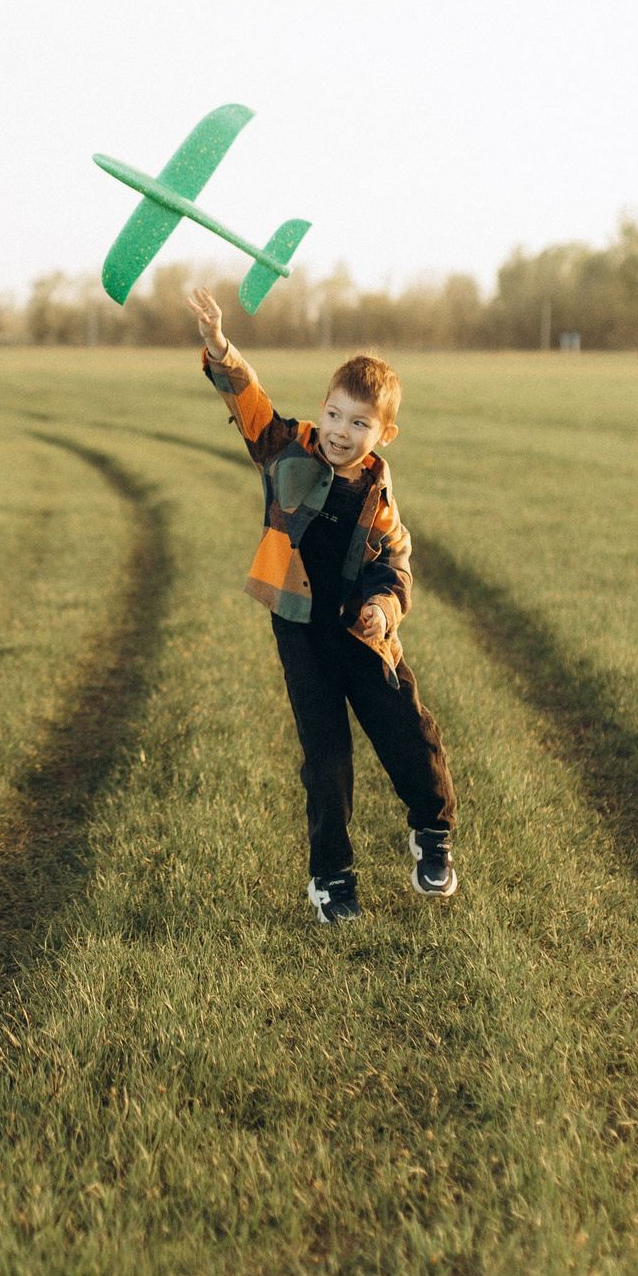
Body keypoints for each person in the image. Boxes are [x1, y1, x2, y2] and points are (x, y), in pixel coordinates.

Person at [186, 286, 457, 924]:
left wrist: (384, 612)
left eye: (359, 423)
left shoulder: (381, 501)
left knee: (407, 736)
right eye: (335, 415)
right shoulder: (288, 450)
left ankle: (433, 834)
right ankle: (331, 879)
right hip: (301, 632)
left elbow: (397, 568)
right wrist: (219, 344)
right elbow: (247, 401)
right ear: (322, 410)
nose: (341, 431)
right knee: (327, 756)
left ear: (384, 432)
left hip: (363, 637)